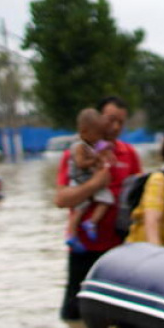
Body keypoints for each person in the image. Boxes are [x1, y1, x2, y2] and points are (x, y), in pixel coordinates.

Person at [55, 96, 143, 321]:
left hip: (119, 248)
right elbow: (61, 199)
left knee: (114, 316)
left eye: (121, 122)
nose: (115, 127)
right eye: (110, 120)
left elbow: (138, 197)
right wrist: (95, 184)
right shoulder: (75, 154)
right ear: (96, 120)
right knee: (73, 314)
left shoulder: (129, 154)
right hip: (83, 247)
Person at [65, 108, 116, 252]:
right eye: (97, 134)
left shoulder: (90, 144)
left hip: (85, 179)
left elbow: (103, 150)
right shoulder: (79, 146)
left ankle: (90, 223)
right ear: (84, 131)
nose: (99, 137)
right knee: (81, 209)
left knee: (101, 201)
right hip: (79, 181)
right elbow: (81, 163)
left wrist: (103, 155)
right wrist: (94, 159)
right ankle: (73, 234)